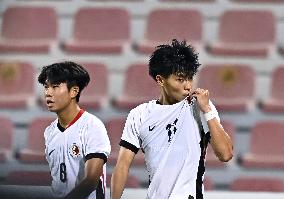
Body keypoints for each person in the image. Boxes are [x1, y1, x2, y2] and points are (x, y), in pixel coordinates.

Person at [111, 39, 233, 199]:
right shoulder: (140, 114)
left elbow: (225, 154)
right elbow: (122, 166)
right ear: (160, 80)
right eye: (180, 79)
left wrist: (208, 110)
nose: (188, 86)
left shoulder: (199, 107)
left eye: (190, 78)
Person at [38, 61, 111, 199]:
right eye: (46, 87)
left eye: (55, 87)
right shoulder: (49, 131)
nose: (48, 93)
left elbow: (91, 181)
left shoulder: (92, 126)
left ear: (74, 91)